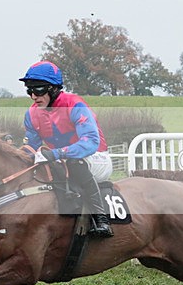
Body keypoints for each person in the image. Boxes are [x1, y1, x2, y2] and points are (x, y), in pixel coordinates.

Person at [19, 61, 114, 238]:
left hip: (95, 158)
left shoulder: (75, 105)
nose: (33, 96)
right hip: (60, 161)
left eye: (38, 89)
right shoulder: (31, 114)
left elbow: (90, 142)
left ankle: (101, 218)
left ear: (54, 88)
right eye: (29, 90)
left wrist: (56, 154)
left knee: (73, 162)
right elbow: (31, 148)